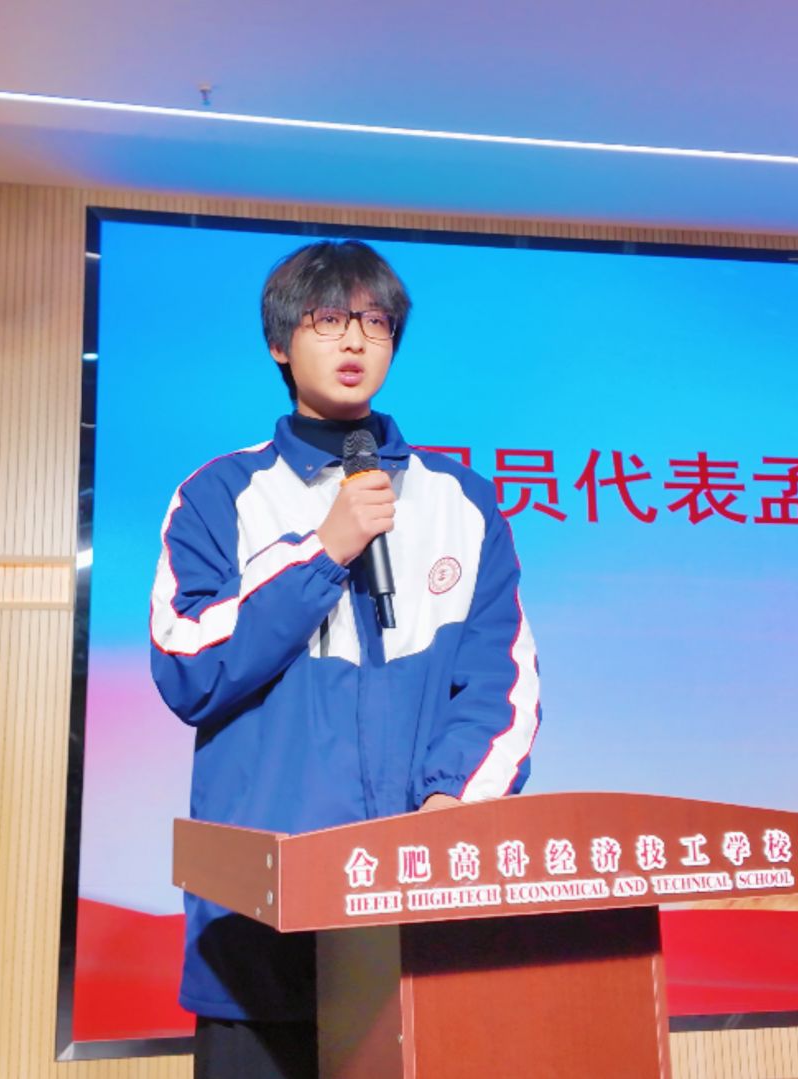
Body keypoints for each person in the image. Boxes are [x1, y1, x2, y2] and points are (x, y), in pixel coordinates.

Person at [149, 239, 541, 1079]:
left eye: (375, 321)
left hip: (414, 913)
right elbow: (187, 668)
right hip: (260, 931)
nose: (356, 339)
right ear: (280, 343)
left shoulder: (461, 500)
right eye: (328, 319)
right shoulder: (218, 495)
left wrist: (452, 806)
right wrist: (323, 549)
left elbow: (502, 685)